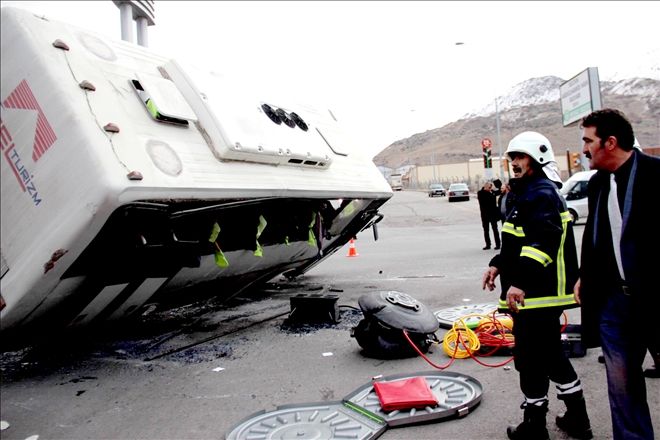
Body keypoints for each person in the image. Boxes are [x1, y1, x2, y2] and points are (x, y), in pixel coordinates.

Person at [482, 131, 592, 440]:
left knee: (541, 359)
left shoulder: (540, 193)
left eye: (520, 157)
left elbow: (542, 243)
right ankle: (550, 421)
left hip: (539, 295)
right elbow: (516, 242)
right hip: (531, 296)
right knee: (536, 359)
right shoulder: (526, 193)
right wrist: (497, 264)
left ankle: (555, 423)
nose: (514, 163)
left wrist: (519, 282)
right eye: (512, 158)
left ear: (537, 159)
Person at [574, 108, 660, 440]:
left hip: (654, 301)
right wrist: (585, 275)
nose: (583, 149)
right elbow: (596, 237)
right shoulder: (598, 184)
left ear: (610, 143)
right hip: (615, 305)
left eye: (587, 141)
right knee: (622, 390)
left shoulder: (654, 175)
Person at [477, 181, 501, 250]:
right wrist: (492, 193)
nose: (490, 188)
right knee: (486, 230)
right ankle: (488, 244)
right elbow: (487, 200)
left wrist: (497, 187)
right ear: (485, 186)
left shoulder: (492, 192)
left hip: (493, 215)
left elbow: (499, 192)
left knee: (495, 229)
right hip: (485, 215)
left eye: (491, 187)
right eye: (489, 187)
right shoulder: (481, 193)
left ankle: (498, 244)